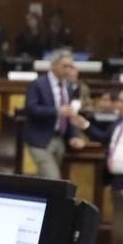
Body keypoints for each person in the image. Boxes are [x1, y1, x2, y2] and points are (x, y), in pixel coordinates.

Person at [23, 49, 85, 181]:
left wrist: (73, 136)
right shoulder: (38, 84)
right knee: (53, 179)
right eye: (65, 66)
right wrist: (56, 111)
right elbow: (31, 109)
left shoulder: (68, 86)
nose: (68, 70)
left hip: (60, 139)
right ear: (53, 65)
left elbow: (70, 114)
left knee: (44, 181)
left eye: (71, 66)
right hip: (40, 139)